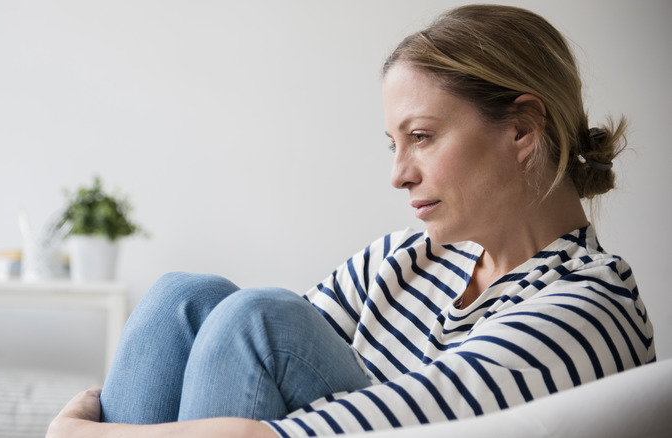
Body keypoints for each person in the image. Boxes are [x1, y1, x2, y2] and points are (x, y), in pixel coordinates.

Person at [46, 4, 655, 438]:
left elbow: (323, 430)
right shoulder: (404, 257)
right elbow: (242, 367)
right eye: (393, 144)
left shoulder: (585, 307)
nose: (399, 175)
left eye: (421, 137)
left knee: (262, 320)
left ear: (522, 130)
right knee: (186, 296)